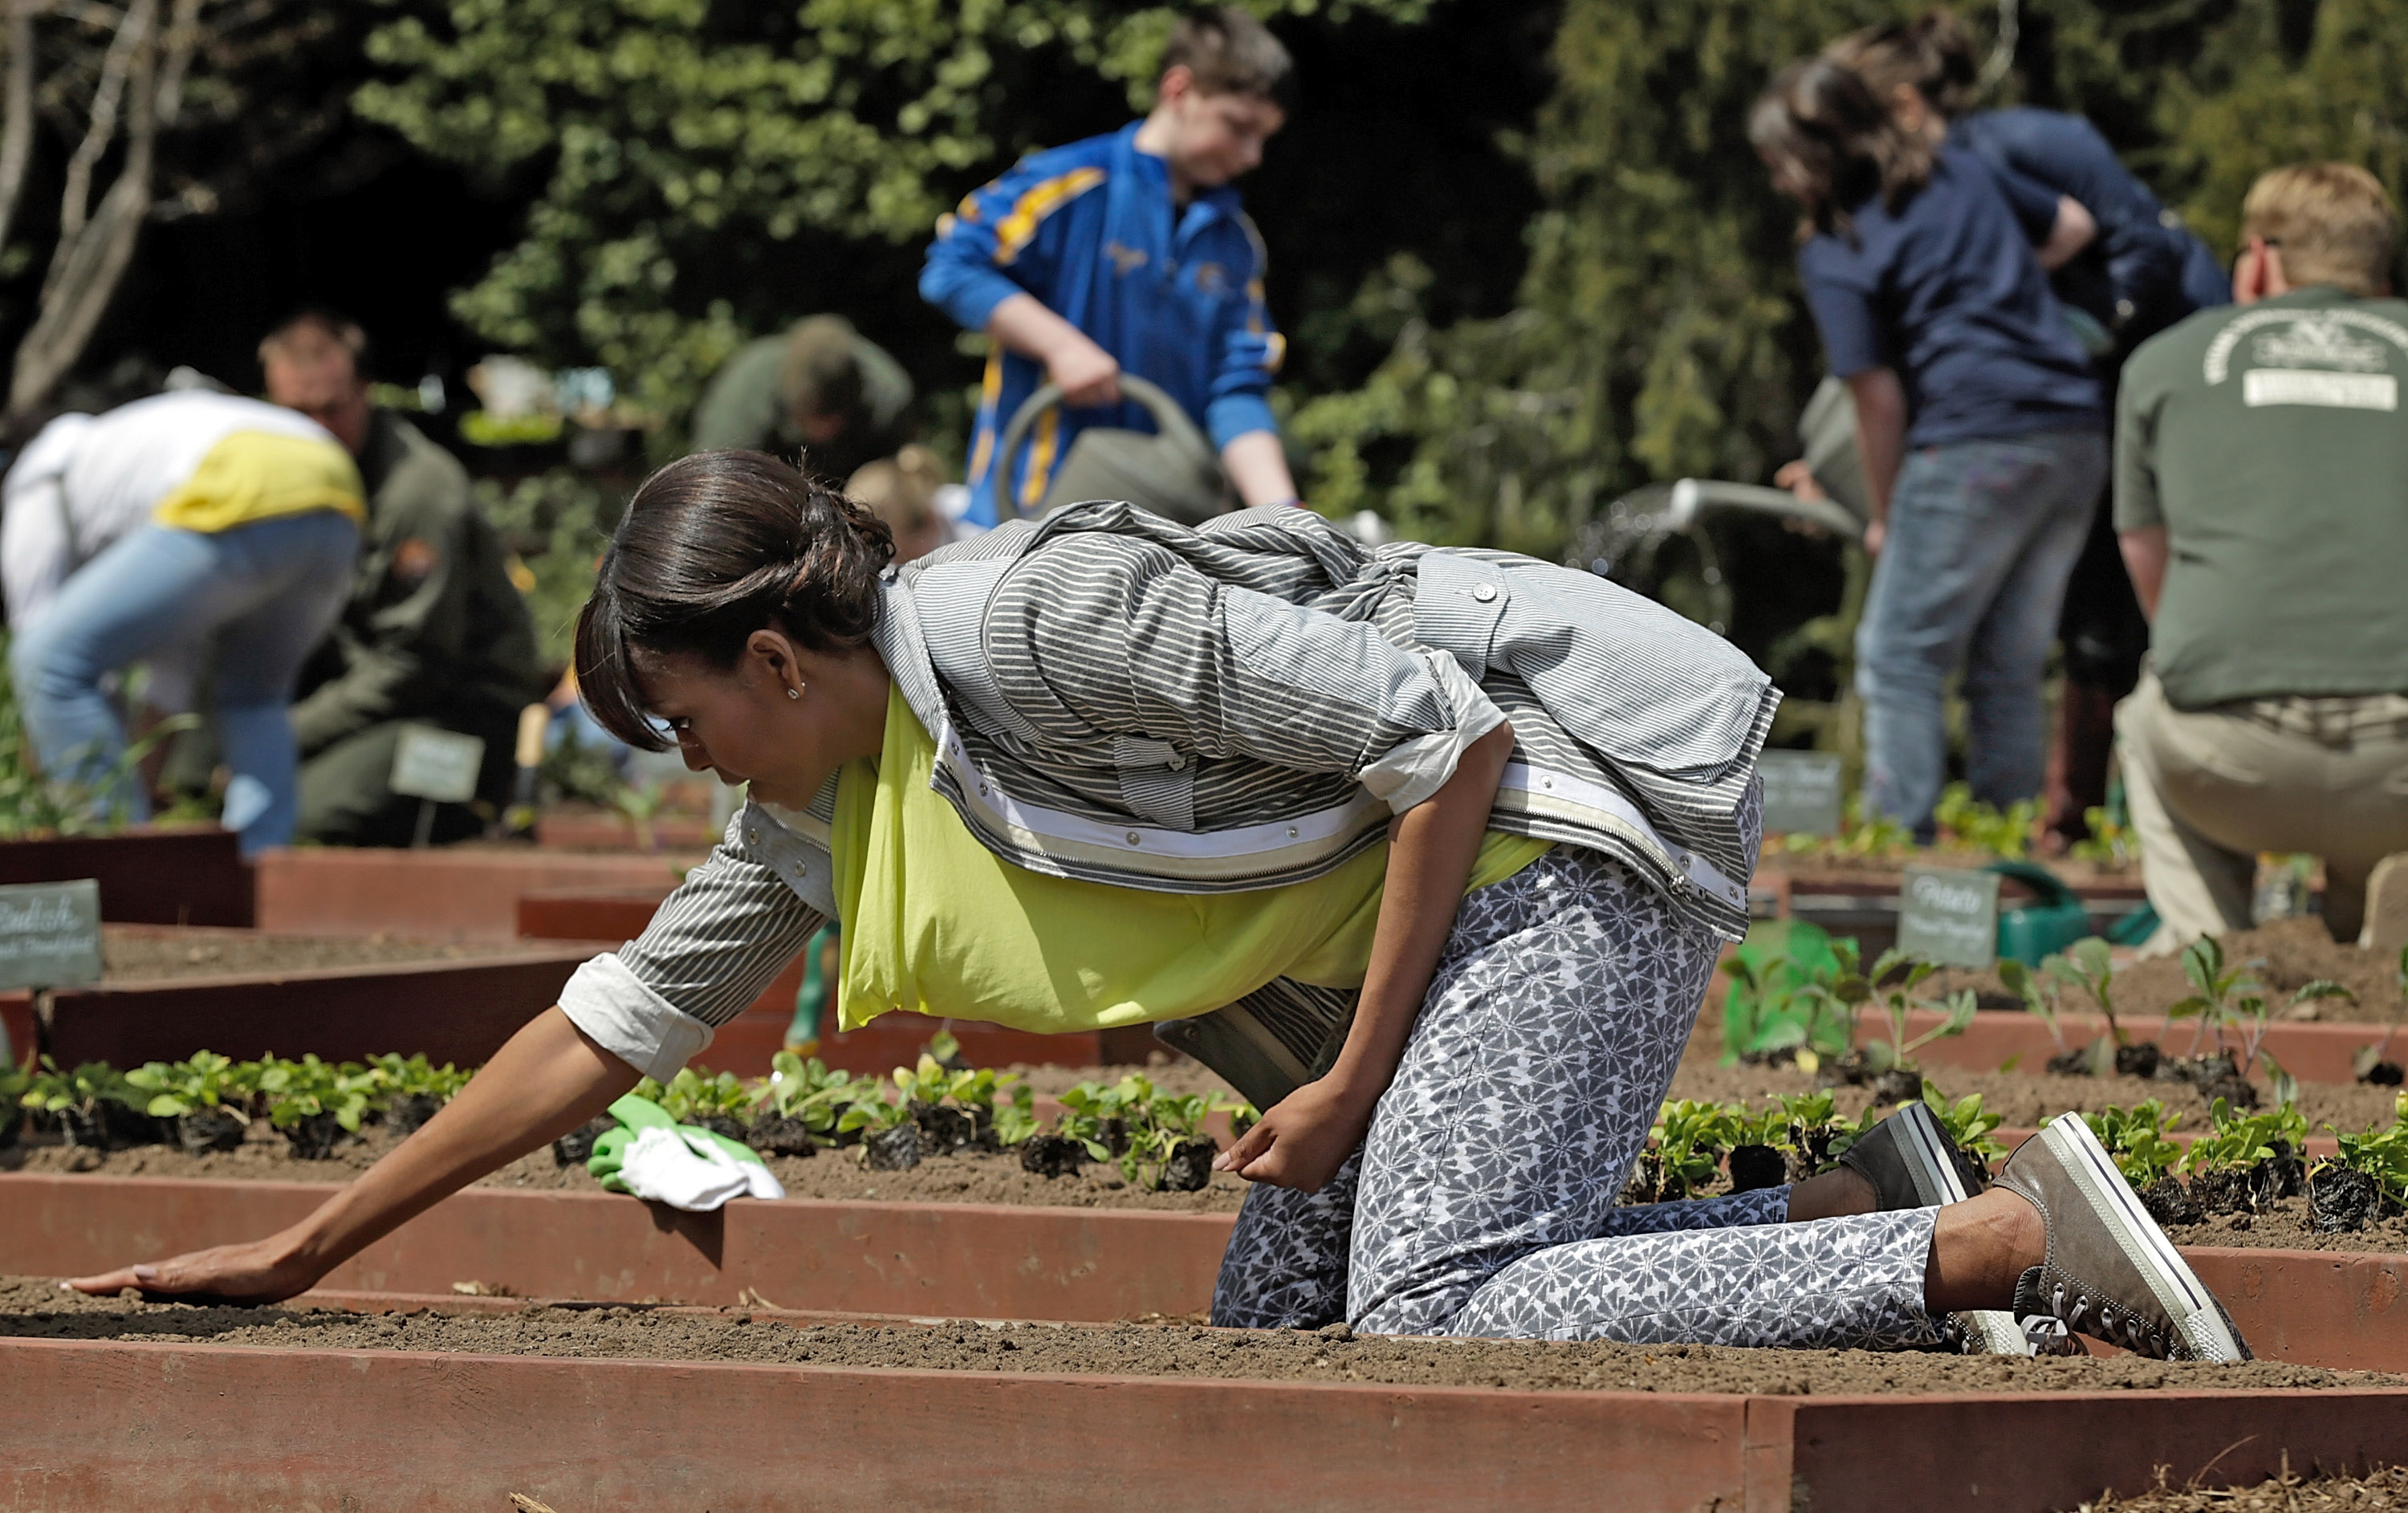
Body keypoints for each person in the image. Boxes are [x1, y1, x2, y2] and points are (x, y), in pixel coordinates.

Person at [68, 451, 2248, 1366]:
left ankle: (1997, 1247)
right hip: (1444, 876)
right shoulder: (830, 805)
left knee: (1429, 1313)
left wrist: (1354, 1083)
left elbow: (1446, 745)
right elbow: (610, 1026)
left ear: (778, 659)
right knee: (1279, 1338)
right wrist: (304, 1239)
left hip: (1578, 801)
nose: (692, 776)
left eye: (689, 723)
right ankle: (1843, 1208)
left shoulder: (1043, 617)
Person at [1826, 10, 2231, 850]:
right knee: (2051, 628)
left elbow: (2141, 245)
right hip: (2070, 410)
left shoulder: (2026, 143)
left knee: (2119, 604)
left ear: (1903, 108)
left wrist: (2079, 343)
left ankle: (2132, 818)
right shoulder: (1929, 188)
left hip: (2163, 369)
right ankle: (2049, 829)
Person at [1753, 59, 2107, 841]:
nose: (1778, 184)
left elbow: (1875, 398)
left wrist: (1886, 515)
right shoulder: (1961, 175)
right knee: (2007, 663)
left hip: (1977, 442)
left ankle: (1898, 844)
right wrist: (1997, 287)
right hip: (2074, 433)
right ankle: (2004, 845)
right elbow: (2074, 226)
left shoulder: (1837, 243)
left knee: (1899, 655)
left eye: (1779, 164)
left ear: (1815, 159)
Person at [2111, 163, 2408, 951]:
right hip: (2403, 770)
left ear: (2262, 260)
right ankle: (2373, 921)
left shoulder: (2165, 363)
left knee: (2145, 715)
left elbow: (2158, 590)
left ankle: (2209, 950)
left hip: (2229, 761)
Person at [919, 5, 1299, 528]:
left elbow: (1236, 388)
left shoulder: (1234, 243)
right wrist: (1062, 346)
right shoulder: (1069, 185)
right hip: (1022, 520)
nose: (1253, 155)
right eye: (1238, 127)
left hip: (1155, 533)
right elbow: (951, 267)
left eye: (1265, 138)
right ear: (1179, 90)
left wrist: (1286, 516)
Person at [1, 391, 363, 854]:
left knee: (46, 660)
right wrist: (139, 793)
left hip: (243, 483)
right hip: (338, 496)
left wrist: (56, 792)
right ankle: (263, 865)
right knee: (254, 698)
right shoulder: (120, 461)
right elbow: (169, 679)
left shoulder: (39, 476)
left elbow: (43, 662)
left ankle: (113, 864)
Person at [259, 312, 547, 846]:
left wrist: (284, 734)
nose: (316, 430)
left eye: (331, 410)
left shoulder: (418, 494)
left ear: (365, 392)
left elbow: (414, 664)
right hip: (368, 709)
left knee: (296, 819)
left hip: (459, 721)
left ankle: (473, 812)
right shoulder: (292, 478)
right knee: (234, 797)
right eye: (297, 412)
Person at [688, 315, 916, 486]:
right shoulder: (743, 400)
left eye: (832, 419)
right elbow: (714, 489)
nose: (824, 431)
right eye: (815, 419)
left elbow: (901, 491)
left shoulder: (887, 397)